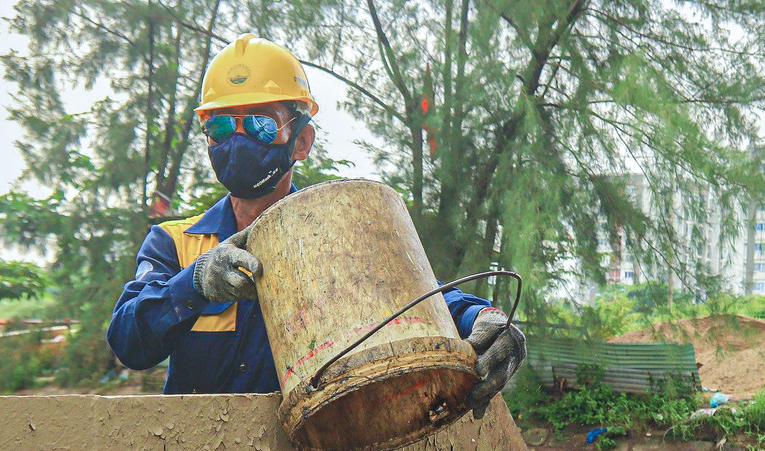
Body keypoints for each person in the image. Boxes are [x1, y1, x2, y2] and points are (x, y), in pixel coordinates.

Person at [107, 34, 525, 416]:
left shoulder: (335, 240)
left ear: (301, 142)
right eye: (219, 125)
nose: (236, 139)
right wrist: (193, 285)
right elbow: (129, 344)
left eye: (260, 124)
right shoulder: (173, 243)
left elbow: (416, 297)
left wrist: (485, 318)